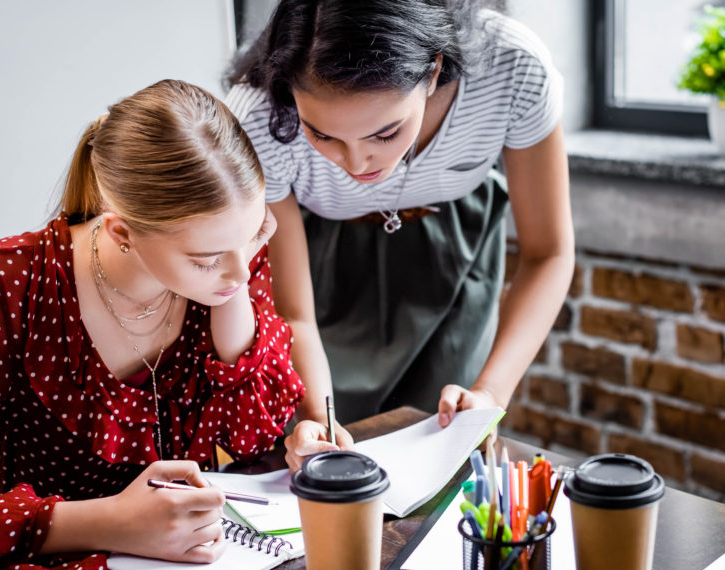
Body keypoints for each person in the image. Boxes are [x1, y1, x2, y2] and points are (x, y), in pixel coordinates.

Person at [0, 79, 303, 570]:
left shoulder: (226, 272)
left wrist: (231, 290)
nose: (241, 272)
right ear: (121, 233)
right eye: (206, 260)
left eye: (254, 236)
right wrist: (112, 523)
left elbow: (255, 434)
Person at [224, 0, 575, 470]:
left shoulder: (512, 69)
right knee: (322, 458)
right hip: (319, 263)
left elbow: (548, 251)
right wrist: (316, 417)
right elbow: (293, 312)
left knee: (445, 450)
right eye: (322, 134)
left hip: (452, 259)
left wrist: (490, 393)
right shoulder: (255, 119)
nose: (356, 165)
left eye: (385, 133)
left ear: (433, 72)